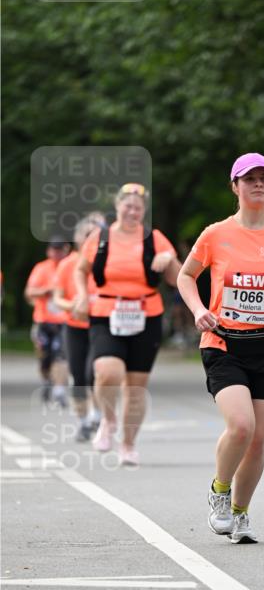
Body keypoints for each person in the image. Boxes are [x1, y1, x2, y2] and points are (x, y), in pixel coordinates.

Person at [177, 153, 264, 544]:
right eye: (249, 178)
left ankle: (240, 513)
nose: (258, 184)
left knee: (258, 439)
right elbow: (187, 277)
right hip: (223, 343)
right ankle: (220, 493)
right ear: (235, 186)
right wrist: (199, 309)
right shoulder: (215, 234)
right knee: (241, 426)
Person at [73, 184, 181, 466]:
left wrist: (169, 259)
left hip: (146, 314)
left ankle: (128, 444)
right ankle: (108, 421)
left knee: (135, 387)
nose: (132, 212)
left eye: (138, 207)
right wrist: (83, 297)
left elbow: (178, 278)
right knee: (108, 371)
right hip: (106, 312)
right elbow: (80, 269)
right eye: (127, 206)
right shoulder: (100, 237)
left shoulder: (155, 238)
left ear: (144, 211)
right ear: (118, 206)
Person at [53, 213, 105, 441]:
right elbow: (57, 298)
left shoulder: (107, 260)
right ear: (78, 238)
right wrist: (71, 305)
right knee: (78, 376)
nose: (92, 238)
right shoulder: (68, 265)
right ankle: (83, 421)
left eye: (97, 234)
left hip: (100, 324)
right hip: (74, 326)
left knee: (94, 371)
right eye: (87, 234)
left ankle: (98, 415)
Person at [24, 238, 71, 406]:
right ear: (49, 251)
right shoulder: (42, 268)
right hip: (44, 320)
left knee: (61, 355)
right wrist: (46, 291)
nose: (57, 253)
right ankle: (46, 381)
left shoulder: (71, 267)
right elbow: (29, 293)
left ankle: (59, 390)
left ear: (66, 250)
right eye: (54, 249)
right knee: (45, 358)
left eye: (60, 249)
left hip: (64, 320)